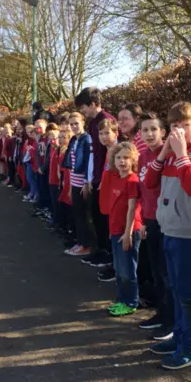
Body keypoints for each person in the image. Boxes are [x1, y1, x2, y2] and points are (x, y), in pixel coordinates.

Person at [144, 104, 191, 370]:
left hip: (190, 229)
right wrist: (164, 153)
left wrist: (182, 154)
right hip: (170, 227)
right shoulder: (170, 153)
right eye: (174, 126)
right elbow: (149, 182)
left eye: (185, 125)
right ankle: (179, 336)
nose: (178, 131)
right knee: (175, 288)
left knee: (188, 292)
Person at [137, 113, 174, 341]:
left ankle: (171, 321)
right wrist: (141, 220)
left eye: (154, 129)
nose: (149, 134)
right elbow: (142, 190)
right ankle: (160, 314)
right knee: (156, 271)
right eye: (145, 130)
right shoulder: (142, 156)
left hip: (166, 220)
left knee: (166, 272)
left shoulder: (168, 156)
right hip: (149, 219)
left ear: (163, 132)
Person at [74, 87, 116, 266]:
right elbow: (93, 154)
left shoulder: (106, 120)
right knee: (97, 215)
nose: (82, 111)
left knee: (105, 218)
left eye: (83, 107)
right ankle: (100, 249)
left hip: (107, 176)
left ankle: (108, 254)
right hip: (97, 177)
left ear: (92, 104)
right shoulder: (92, 123)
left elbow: (112, 151)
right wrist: (89, 179)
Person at [106, 142, 143, 317]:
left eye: (126, 158)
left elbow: (132, 209)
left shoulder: (132, 181)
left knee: (128, 268)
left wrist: (128, 233)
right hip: (115, 231)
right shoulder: (117, 179)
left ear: (133, 160)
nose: (122, 161)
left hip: (127, 232)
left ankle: (131, 301)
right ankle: (121, 299)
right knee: (119, 269)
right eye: (119, 157)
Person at [62, 112, 95, 257]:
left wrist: (86, 183)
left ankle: (86, 245)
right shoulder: (74, 140)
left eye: (76, 123)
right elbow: (71, 165)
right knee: (78, 215)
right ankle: (80, 242)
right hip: (74, 183)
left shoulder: (86, 139)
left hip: (82, 184)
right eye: (72, 124)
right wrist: (70, 186)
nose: (74, 126)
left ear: (83, 122)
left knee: (83, 216)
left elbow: (89, 163)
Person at [89, 118, 119, 272]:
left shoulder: (118, 151)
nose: (103, 137)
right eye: (101, 134)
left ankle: (116, 266)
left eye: (107, 133)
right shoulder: (109, 151)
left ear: (116, 133)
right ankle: (112, 260)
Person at [22, 125, 39, 203]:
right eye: (27, 131)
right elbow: (25, 150)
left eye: (30, 131)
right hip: (29, 161)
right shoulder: (29, 140)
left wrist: (30, 150)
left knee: (31, 178)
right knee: (30, 178)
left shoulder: (34, 140)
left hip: (32, 162)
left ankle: (34, 194)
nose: (28, 133)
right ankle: (32, 193)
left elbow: (34, 152)